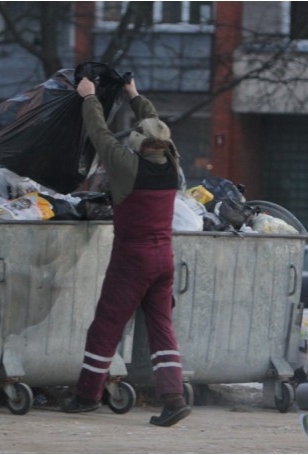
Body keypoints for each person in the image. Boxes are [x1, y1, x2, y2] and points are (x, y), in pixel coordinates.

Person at [61, 75, 190, 427]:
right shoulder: (172, 164)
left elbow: (99, 134)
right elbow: (155, 124)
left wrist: (89, 98)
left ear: (138, 141)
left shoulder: (127, 166)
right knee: (162, 329)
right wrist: (134, 95)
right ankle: (174, 399)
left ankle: (87, 395)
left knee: (106, 326)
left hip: (132, 260)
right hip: (165, 259)